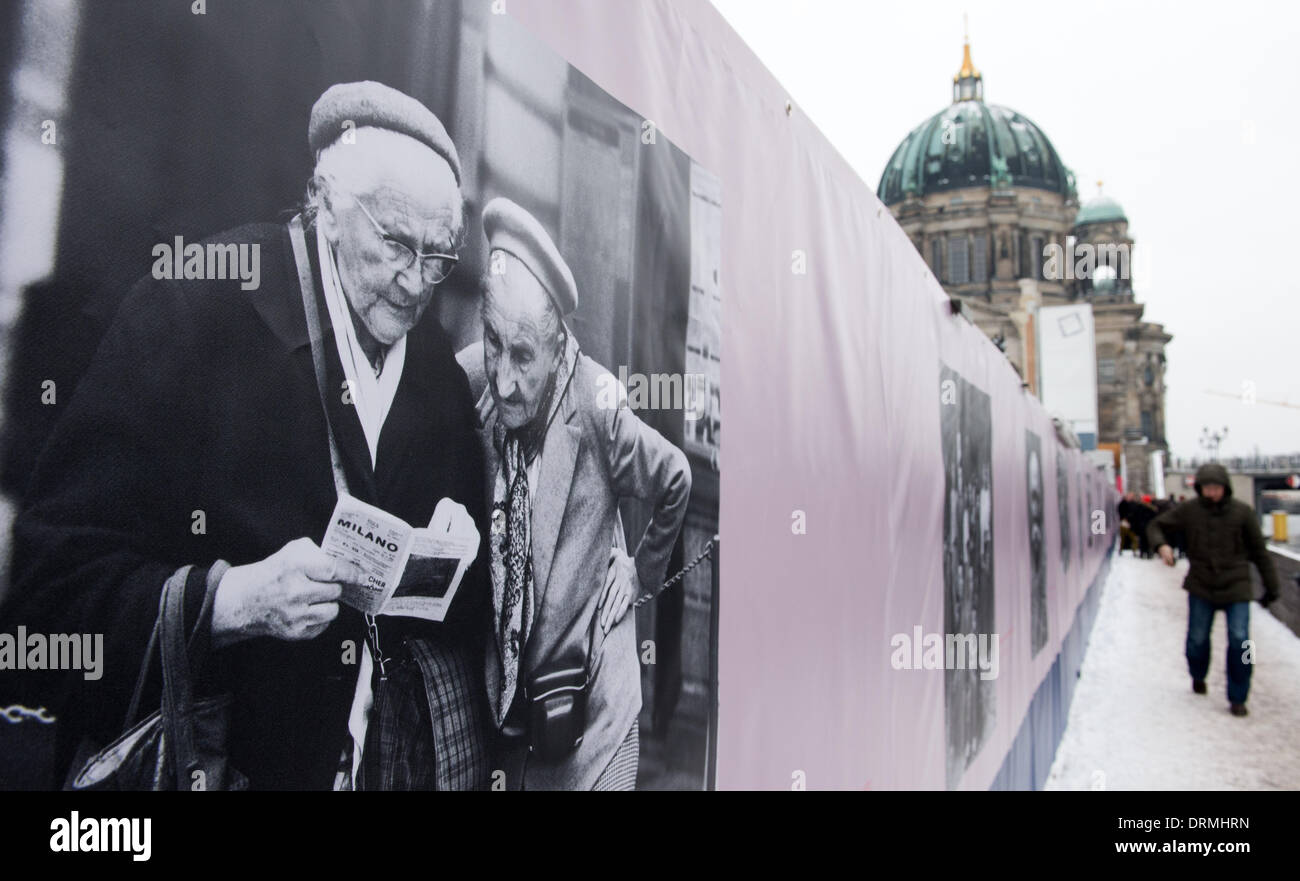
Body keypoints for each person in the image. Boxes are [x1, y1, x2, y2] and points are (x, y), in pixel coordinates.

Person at [0, 81, 493, 789]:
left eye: (439, 258)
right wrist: (232, 602)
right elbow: (49, 599)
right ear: (326, 204)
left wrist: (457, 551)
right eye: (395, 243)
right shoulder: (193, 312)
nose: (416, 282)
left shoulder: (438, 374)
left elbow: (463, 627)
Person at [475, 197, 692, 790]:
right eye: (493, 342)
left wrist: (641, 573)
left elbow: (675, 477)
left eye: (523, 356)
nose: (503, 378)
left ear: (557, 344)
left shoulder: (598, 402)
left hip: (593, 710)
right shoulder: (473, 378)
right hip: (518, 719)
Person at [1148, 463, 1281, 716]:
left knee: (1242, 642)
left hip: (1237, 585)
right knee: (1197, 639)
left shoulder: (1243, 513)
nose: (1211, 493)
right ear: (1199, 488)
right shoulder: (1189, 511)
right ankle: (1198, 673)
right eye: (1207, 488)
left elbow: (1260, 554)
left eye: (1216, 488)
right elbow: (1156, 526)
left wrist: (1271, 588)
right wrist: (1161, 546)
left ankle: (1239, 696)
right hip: (1201, 584)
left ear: (1225, 488)